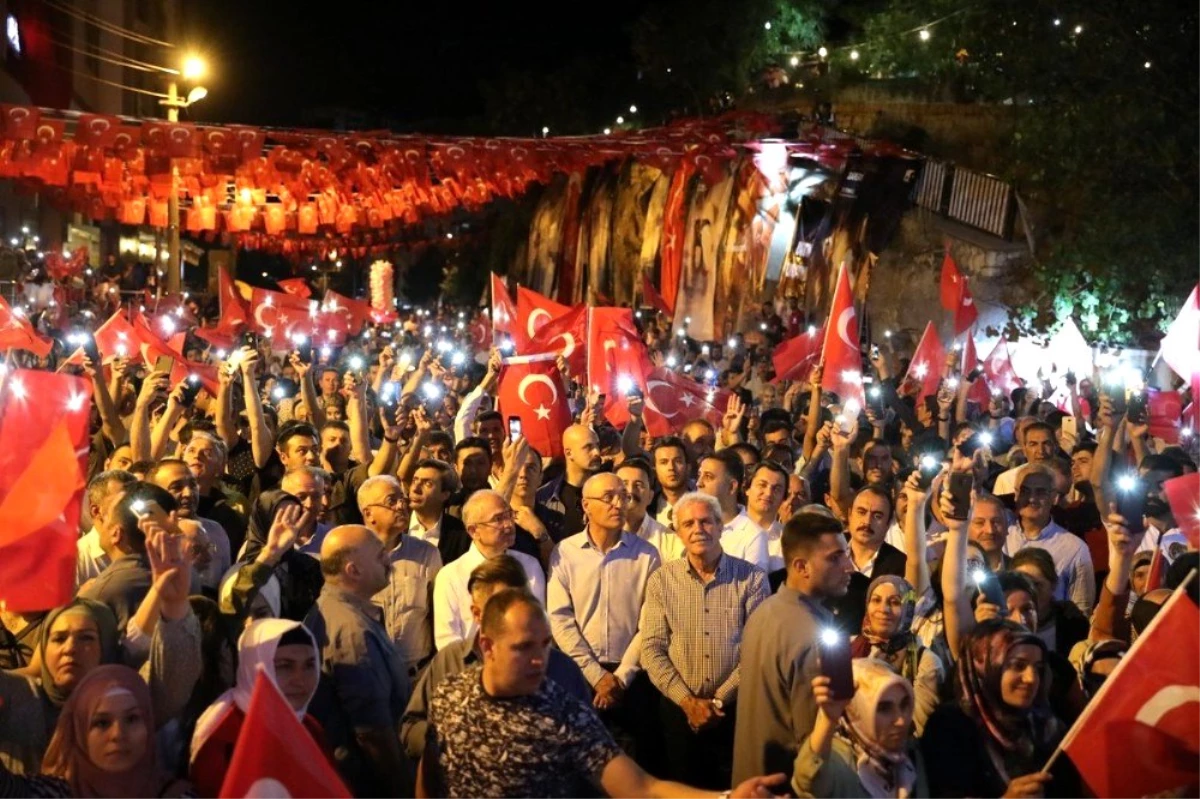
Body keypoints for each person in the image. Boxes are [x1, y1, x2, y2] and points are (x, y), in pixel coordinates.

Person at [419, 588, 786, 798]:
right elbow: (432, 772)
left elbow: (642, 787)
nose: (539, 660)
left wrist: (725, 798)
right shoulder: (451, 694)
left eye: (546, 645)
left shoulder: (563, 712)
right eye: (524, 647)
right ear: (487, 645)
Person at [400, 555, 589, 760]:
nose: (517, 615)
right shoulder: (449, 664)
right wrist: (454, 742)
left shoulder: (562, 669)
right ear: (477, 613)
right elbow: (411, 729)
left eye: (523, 602)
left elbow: (591, 747)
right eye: (502, 606)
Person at [640, 492, 768, 788]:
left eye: (706, 521)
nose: (698, 529)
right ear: (678, 532)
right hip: (678, 713)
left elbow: (758, 650)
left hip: (736, 712)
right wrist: (687, 702)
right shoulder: (662, 580)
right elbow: (652, 648)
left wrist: (720, 700)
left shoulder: (752, 579)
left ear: (720, 526)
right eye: (688, 524)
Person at [733, 511, 855, 785]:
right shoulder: (812, 636)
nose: (849, 566)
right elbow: (813, 747)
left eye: (845, 554)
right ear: (802, 567)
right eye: (835, 558)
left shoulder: (766, 611)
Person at [547, 472, 662, 760]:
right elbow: (560, 619)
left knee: (630, 769)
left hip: (631, 680)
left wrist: (621, 678)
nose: (618, 504)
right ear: (586, 505)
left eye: (623, 497)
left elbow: (650, 622)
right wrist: (596, 676)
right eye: (608, 497)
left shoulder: (647, 555)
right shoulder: (565, 552)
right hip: (580, 675)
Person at [304, 525, 413, 798]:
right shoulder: (353, 632)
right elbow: (372, 732)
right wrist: (402, 787)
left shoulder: (339, 613)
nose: (388, 560)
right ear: (353, 571)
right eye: (380, 556)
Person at [920, 620, 1079, 798]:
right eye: (1018, 666)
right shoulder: (950, 726)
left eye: (1038, 668)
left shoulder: (1047, 726)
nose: (1031, 678)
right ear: (984, 666)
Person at [0, 665, 195, 799]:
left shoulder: (177, 796)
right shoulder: (53, 794)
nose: (118, 734)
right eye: (101, 723)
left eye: (132, 719)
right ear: (80, 732)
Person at [189, 619, 329, 799]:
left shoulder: (310, 727)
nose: (299, 680)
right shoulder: (225, 735)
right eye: (285, 666)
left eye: (309, 665)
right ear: (255, 666)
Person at [793, 659, 927, 799]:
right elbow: (809, 779)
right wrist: (828, 720)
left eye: (904, 704)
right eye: (883, 708)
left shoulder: (910, 756)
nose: (900, 720)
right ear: (856, 711)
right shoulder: (842, 762)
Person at [431, 490, 545, 649]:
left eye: (509, 515)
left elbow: (538, 621)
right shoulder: (451, 575)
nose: (508, 525)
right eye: (498, 519)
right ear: (473, 531)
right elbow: (447, 640)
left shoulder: (529, 565)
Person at [358, 475, 442, 675]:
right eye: (391, 501)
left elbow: (436, 614)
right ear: (369, 513)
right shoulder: (352, 553)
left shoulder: (426, 554)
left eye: (402, 500)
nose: (401, 506)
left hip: (416, 675)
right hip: (367, 675)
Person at [851, 575, 943, 735]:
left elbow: (917, 729)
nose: (883, 609)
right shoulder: (850, 649)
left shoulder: (925, 662)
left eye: (894, 602)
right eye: (876, 600)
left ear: (908, 610)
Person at [1004, 464, 1095, 615]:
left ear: (1054, 497)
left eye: (1041, 492)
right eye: (1025, 491)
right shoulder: (1001, 537)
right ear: (1016, 494)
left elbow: (1081, 611)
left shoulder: (1074, 548)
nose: (1032, 498)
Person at [698, 451, 771, 572]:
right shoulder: (692, 527)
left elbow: (754, 586)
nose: (699, 483)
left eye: (708, 477)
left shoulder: (753, 535)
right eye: (699, 475)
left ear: (732, 486)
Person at [1010, 548, 1089, 655]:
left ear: (1053, 585)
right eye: (1022, 584)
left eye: (1036, 585)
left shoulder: (1072, 623)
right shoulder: (1002, 622)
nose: (1029, 592)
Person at [538, 424, 604, 538]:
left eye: (597, 445)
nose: (597, 452)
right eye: (588, 447)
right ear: (569, 453)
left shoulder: (609, 490)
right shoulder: (544, 498)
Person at [76, 470, 137, 587]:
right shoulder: (77, 559)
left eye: (135, 499)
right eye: (123, 502)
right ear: (96, 511)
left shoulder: (149, 547)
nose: (132, 508)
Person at [407, 459, 472, 565]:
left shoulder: (461, 535)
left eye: (427, 483)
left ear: (445, 494)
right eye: (414, 481)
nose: (415, 489)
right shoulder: (396, 524)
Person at [618, 457, 682, 561]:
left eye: (638, 485)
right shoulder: (601, 535)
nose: (630, 491)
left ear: (650, 496)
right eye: (624, 484)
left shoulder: (670, 542)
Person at [992, 422, 1057, 497]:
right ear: (1024, 449)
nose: (1041, 451)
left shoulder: (1067, 478)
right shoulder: (1006, 480)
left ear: (1055, 447)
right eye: (1033, 444)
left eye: (1046, 444)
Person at [744, 461, 789, 571]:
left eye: (777, 489)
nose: (768, 493)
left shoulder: (789, 540)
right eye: (762, 485)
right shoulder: (724, 531)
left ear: (784, 498)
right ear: (747, 489)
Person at [649, 436, 692, 530]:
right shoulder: (647, 508)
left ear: (688, 467)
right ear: (655, 469)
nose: (671, 468)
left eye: (677, 461)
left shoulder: (705, 504)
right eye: (664, 462)